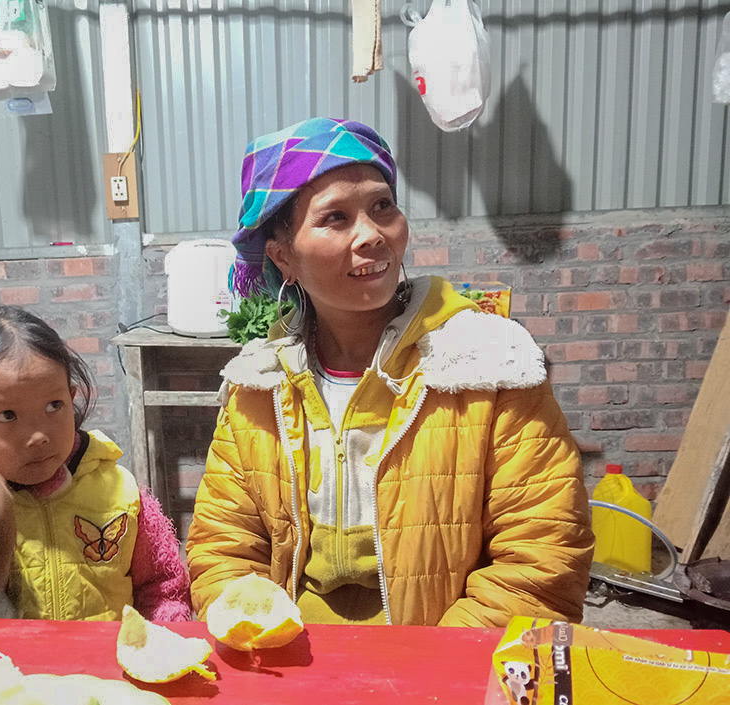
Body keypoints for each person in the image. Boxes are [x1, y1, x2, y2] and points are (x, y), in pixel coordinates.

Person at [186, 117, 594, 627]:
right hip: (290, 647)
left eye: (382, 206)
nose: (373, 235)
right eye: (335, 218)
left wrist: (433, 668)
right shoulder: (259, 386)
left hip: (445, 657)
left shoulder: (487, 366)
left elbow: (543, 553)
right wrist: (258, 632)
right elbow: (222, 546)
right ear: (282, 255)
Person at [0, 304, 191, 621]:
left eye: (54, 405)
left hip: (110, 667)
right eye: (7, 415)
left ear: (71, 395)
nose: (39, 435)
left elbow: (163, 587)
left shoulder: (120, 492)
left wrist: (163, 640)